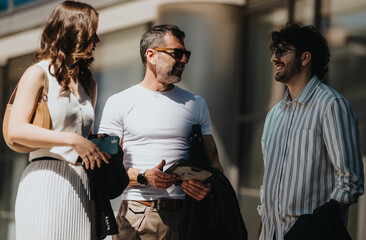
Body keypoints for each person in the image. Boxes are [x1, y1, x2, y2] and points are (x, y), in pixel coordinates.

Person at [98, 24, 223, 240]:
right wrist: (144, 177)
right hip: (137, 214)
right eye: (177, 53)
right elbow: (106, 168)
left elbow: (213, 162)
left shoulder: (196, 104)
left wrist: (209, 188)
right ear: (151, 56)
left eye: (186, 54)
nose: (184, 60)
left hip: (188, 217)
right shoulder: (119, 102)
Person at [8, 1, 109, 239]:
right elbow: (15, 130)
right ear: (74, 31)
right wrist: (72, 140)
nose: (97, 40)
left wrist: (96, 143)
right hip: (45, 180)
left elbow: (84, 137)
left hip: (83, 185)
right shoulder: (38, 73)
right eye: (92, 32)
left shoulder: (88, 84)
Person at [257, 23, 364, 240]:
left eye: (281, 52)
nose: (274, 58)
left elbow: (350, 181)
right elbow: (267, 188)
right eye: (273, 52)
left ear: (305, 58)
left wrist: (314, 229)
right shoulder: (273, 116)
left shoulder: (332, 105)